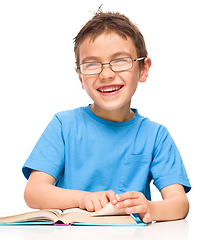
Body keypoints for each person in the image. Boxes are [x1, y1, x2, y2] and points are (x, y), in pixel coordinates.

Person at [22, 9, 191, 223]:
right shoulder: (64, 125)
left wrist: (151, 209)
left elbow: (179, 203)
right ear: (81, 77)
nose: (106, 74)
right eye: (92, 64)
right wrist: (82, 198)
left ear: (144, 69)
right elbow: (33, 192)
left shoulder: (156, 135)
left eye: (120, 60)